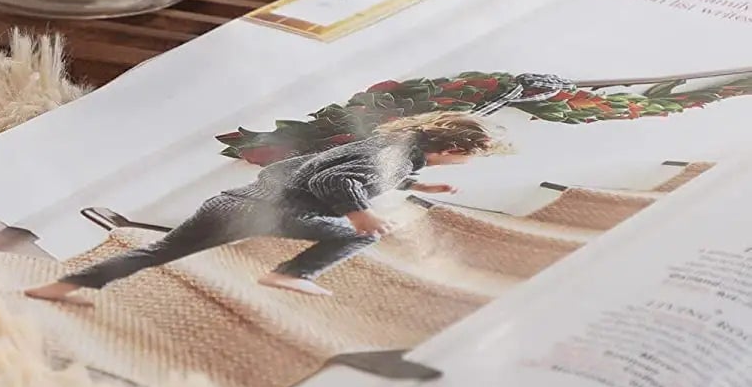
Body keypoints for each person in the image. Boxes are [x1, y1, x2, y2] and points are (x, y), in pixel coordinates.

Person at [25, 112, 505, 303]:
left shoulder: (394, 152)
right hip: (269, 212)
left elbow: (304, 168)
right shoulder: (391, 157)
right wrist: (360, 215)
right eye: (468, 156)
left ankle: (63, 285)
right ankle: (292, 274)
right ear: (455, 145)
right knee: (356, 234)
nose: (464, 164)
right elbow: (333, 178)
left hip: (232, 204)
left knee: (158, 252)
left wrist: (424, 188)